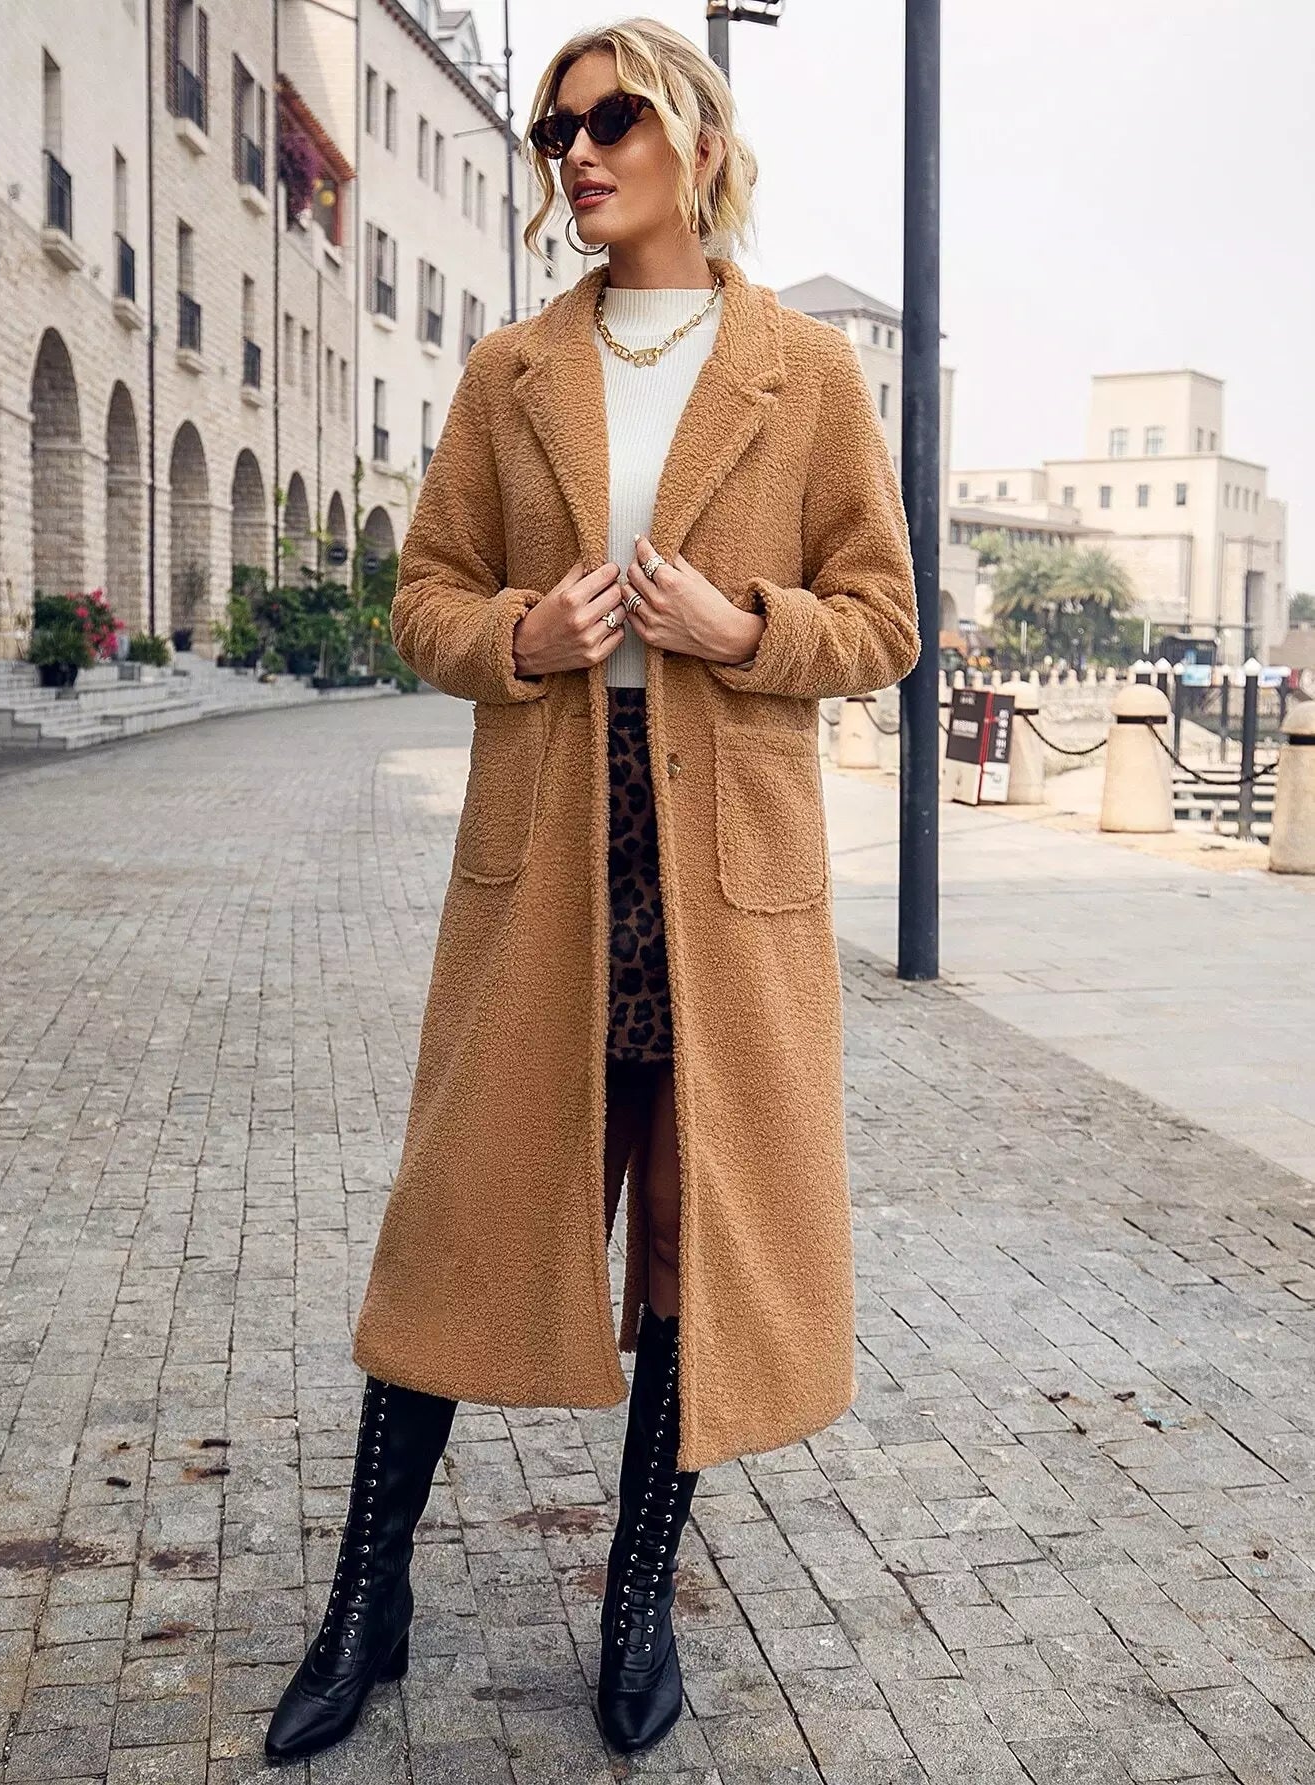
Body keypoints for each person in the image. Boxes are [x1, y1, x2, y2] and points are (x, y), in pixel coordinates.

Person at [265, 13, 919, 1765]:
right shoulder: (510, 371)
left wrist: (742, 625)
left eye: (611, 118)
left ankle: (640, 1597)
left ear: (694, 139)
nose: (576, 152)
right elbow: (423, 599)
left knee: (696, 1235)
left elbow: (884, 621)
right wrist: (525, 634)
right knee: (456, 1219)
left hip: (721, 870)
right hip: (548, 846)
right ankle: (366, 1599)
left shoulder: (805, 371)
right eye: (558, 129)